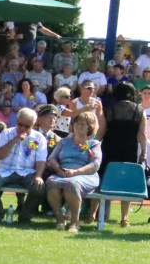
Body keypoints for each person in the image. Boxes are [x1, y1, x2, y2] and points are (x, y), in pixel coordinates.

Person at [94, 82, 147, 226]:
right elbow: (142, 134)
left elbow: (101, 132)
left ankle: (93, 214)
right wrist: (144, 152)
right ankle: (125, 218)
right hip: (128, 149)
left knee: (102, 179)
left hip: (109, 148)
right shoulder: (139, 110)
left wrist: (91, 146)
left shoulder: (109, 109)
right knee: (126, 182)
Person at [0, 107, 47, 223]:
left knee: (39, 188)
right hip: (4, 170)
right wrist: (13, 141)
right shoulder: (6, 133)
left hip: (27, 172)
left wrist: (38, 176)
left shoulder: (39, 138)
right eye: (20, 124)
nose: (22, 128)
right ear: (16, 121)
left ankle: (25, 216)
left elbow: (41, 160)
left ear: (33, 125)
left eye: (27, 126)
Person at [46, 112, 103, 233]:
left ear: (90, 127)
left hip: (85, 175)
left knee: (72, 184)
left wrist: (76, 172)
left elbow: (95, 165)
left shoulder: (94, 144)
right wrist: (58, 169)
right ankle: (60, 219)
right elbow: (51, 159)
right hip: (63, 172)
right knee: (51, 182)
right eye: (76, 123)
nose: (78, 126)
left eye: (83, 124)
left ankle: (74, 222)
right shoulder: (63, 142)